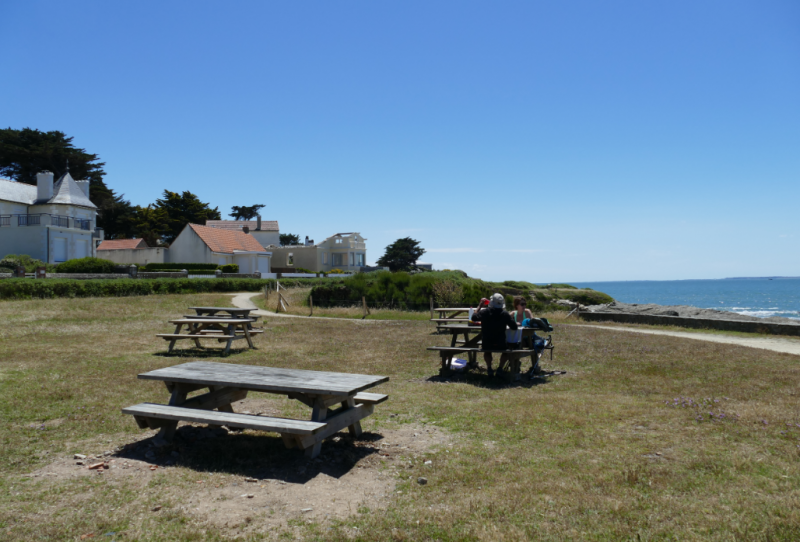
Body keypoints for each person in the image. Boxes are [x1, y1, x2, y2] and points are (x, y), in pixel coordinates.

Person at [470, 293, 517, 377]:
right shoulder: (505, 314)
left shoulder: (485, 312)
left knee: (487, 351)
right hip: (501, 343)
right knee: (506, 351)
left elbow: (473, 317)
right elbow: (514, 327)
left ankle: (489, 368)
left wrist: (480, 306)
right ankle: (500, 368)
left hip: (487, 342)